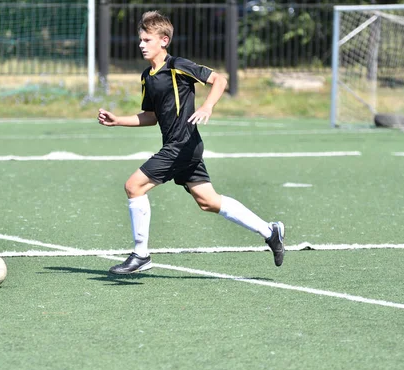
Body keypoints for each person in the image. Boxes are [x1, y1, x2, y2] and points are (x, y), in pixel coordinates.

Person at [97, 10, 284, 274]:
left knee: (134, 186)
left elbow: (220, 79)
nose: (141, 44)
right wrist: (118, 121)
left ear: (163, 40)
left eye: (147, 39)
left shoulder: (178, 66)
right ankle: (270, 231)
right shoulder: (147, 76)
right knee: (207, 201)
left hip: (182, 145)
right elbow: (150, 116)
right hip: (180, 145)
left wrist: (208, 106)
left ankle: (140, 255)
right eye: (140, 39)